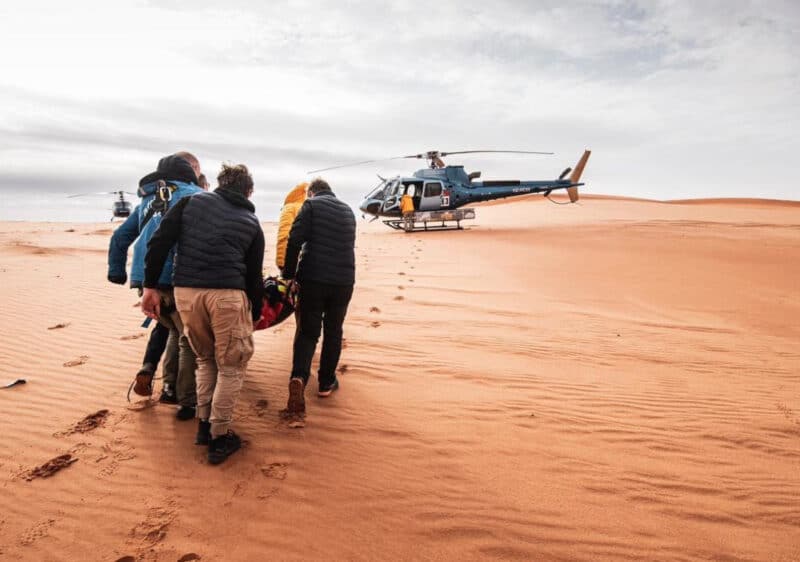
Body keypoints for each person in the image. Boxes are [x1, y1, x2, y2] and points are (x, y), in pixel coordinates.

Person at [141, 163, 264, 465]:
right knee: (232, 367)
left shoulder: (190, 202)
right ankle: (219, 438)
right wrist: (256, 312)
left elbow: (159, 242)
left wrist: (150, 286)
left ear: (221, 183)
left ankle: (204, 425)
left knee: (205, 359)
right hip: (227, 294)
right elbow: (254, 277)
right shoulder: (250, 220)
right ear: (249, 190)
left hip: (186, 293)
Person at [107, 152, 204, 418]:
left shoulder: (147, 200)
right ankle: (187, 400)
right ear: (191, 169)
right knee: (188, 339)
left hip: (146, 280)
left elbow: (120, 238)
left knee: (172, 331)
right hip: (178, 277)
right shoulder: (195, 195)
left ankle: (168, 386)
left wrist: (117, 272)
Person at [281, 178, 356, 415]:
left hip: (313, 279)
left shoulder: (311, 206)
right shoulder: (348, 210)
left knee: (308, 332)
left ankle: (299, 378)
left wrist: (289, 276)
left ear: (312, 193)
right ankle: (326, 383)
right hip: (343, 281)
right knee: (334, 331)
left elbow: (294, 241)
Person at [275, 182, 308, 270]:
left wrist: (281, 262)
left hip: (288, 260)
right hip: (306, 261)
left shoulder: (288, 208)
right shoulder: (307, 207)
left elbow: (284, 233)